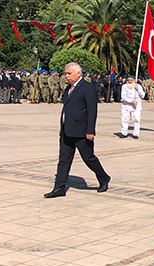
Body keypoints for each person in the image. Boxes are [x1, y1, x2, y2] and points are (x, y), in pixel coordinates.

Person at [44, 62, 111, 198]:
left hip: (81, 132)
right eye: (66, 73)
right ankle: (60, 187)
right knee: (63, 160)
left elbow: (92, 111)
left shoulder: (87, 88)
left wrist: (90, 130)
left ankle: (103, 177)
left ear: (78, 73)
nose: (67, 76)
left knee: (89, 158)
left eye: (69, 73)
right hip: (66, 131)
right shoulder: (69, 88)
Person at [120, 75, 145, 139]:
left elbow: (143, 95)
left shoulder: (138, 86)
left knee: (136, 120)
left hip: (136, 107)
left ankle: (136, 134)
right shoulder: (124, 86)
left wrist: (138, 89)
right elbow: (123, 97)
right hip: (126, 106)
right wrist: (131, 101)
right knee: (124, 120)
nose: (130, 82)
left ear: (134, 80)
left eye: (131, 80)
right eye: (128, 80)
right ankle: (124, 133)